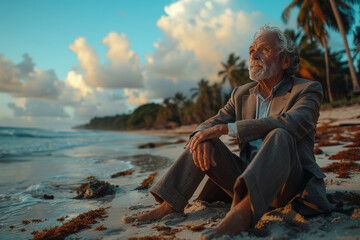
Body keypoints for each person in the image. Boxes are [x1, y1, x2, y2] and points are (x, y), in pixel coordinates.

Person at [122, 24, 330, 239]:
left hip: (288, 185)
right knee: (204, 137)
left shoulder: (307, 89)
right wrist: (202, 137)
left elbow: (292, 123)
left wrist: (227, 129)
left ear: (285, 61)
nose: (254, 55)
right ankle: (170, 205)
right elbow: (212, 122)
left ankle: (242, 213)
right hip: (243, 181)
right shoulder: (241, 94)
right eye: (252, 51)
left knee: (280, 134)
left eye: (264, 50)